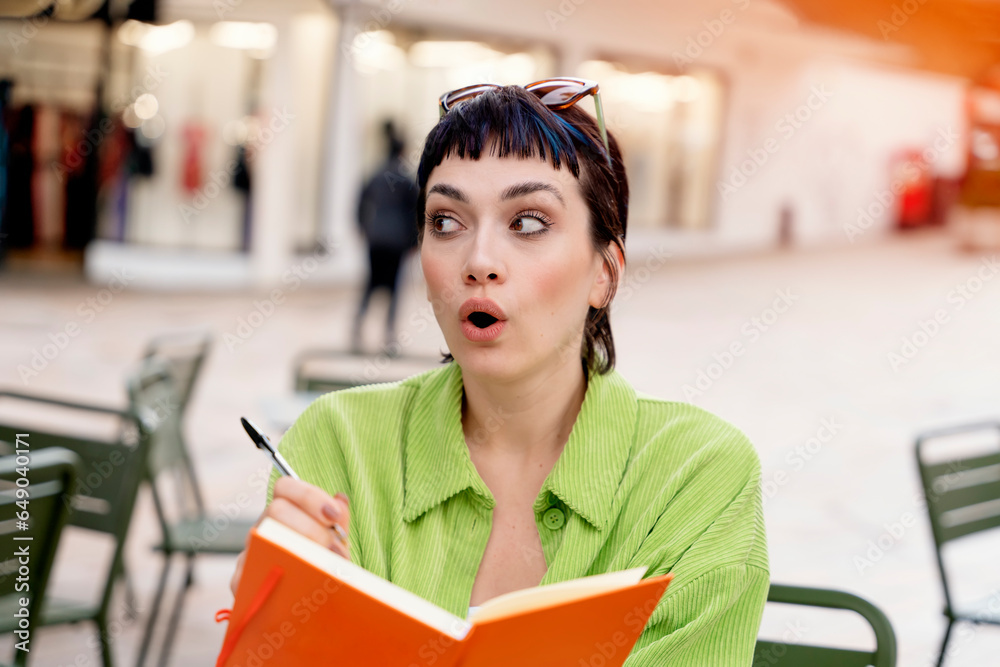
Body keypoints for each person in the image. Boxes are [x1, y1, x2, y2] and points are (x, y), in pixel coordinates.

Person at [230, 79, 768, 665]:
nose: (479, 261)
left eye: (529, 222)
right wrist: (275, 631)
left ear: (604, 273)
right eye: (446, 221)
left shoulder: (697, 477)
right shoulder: (338, 447)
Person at [351, 120, 419, 354]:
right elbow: (415, 213)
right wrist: (414, 242)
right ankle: (389, 335)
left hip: (376, 238)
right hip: (396, 241)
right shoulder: (406, 179)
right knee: (394, 288)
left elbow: (359, 202)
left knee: (370, 284)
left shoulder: (375, 174)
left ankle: (357, 327)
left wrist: (362, 227)